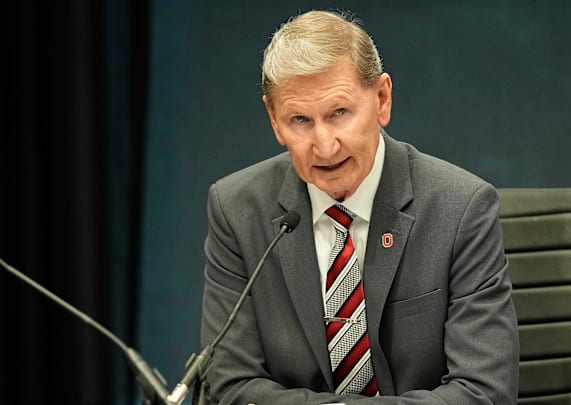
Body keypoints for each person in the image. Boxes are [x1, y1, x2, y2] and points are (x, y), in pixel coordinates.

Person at [199, 9, 519, 405]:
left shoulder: (461, 208)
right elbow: (229, 385)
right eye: (300, 119)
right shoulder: (237, 210)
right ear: (274, 120)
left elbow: (484, 392)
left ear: (382, 99)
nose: (325, 145)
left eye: (339, 113)